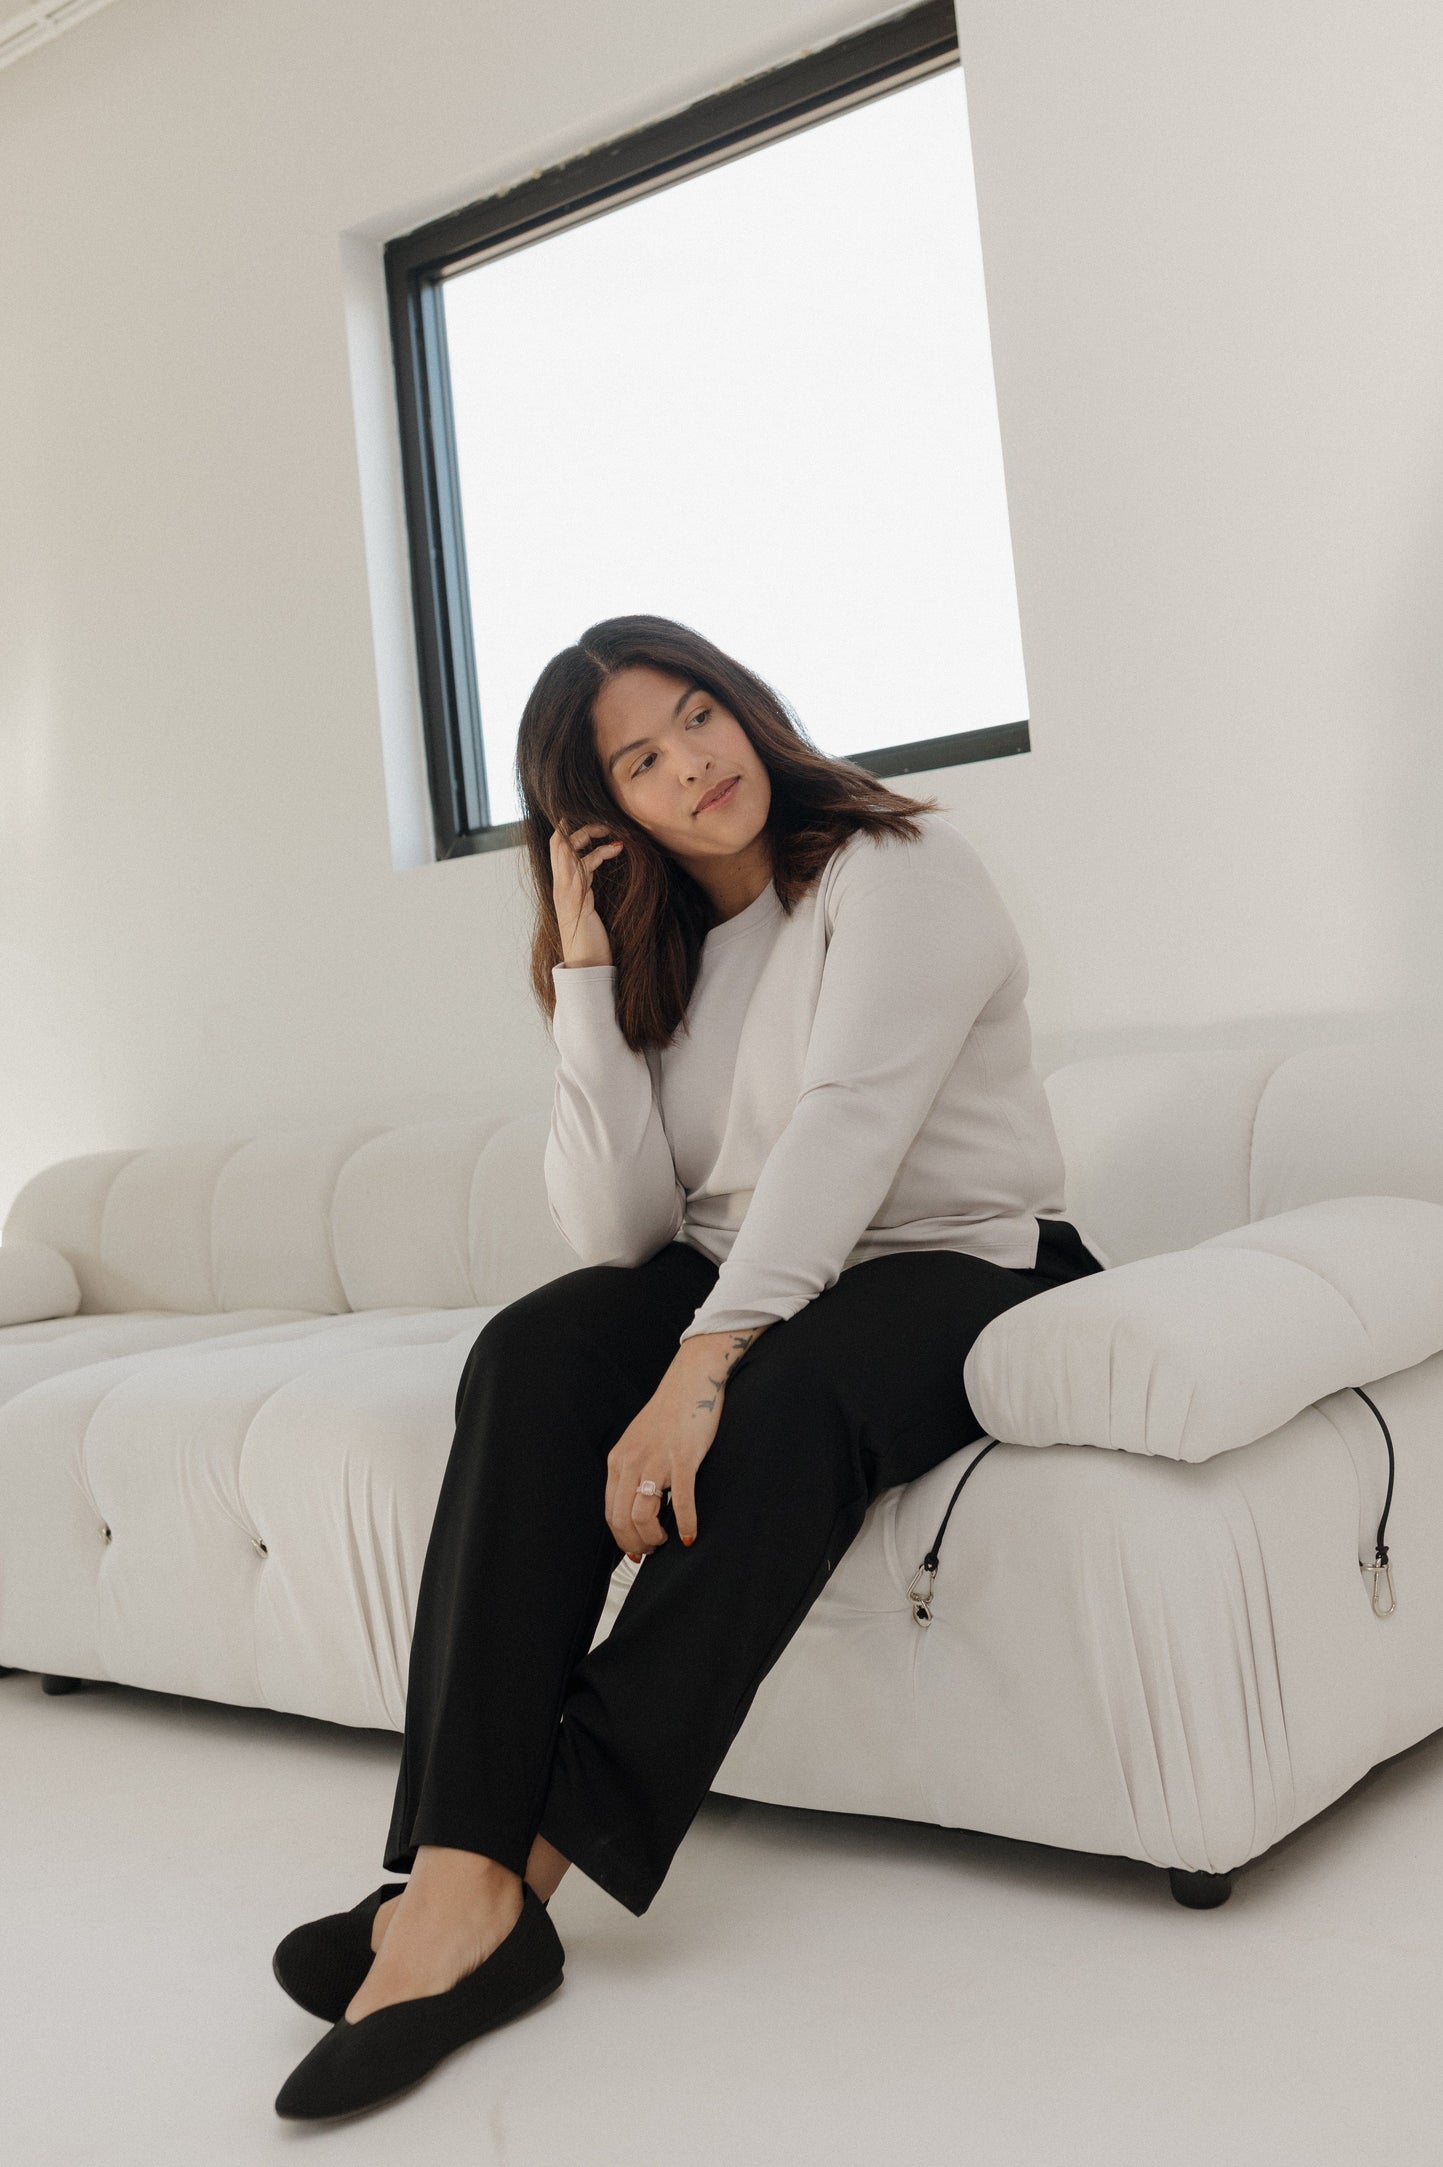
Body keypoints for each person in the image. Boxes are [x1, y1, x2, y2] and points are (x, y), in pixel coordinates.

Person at [271, 613, 1107, 2119]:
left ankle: (501, 1896)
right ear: (602, 817)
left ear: (745, 705)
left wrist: (697, 1372)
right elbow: (621, 1230)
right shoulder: (667, 952)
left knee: (781, 1406)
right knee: (532, 1353)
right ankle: (453, 1866)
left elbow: (850, 1130)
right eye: (640, 763)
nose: (692, 766)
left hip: (961, 1257)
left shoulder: (897, 867)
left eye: (697, 717)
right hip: (751, 1271)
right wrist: (589, 976)